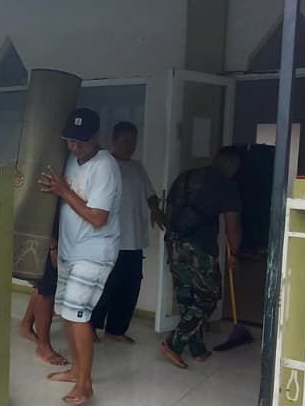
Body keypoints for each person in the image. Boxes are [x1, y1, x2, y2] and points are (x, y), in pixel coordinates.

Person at [39, 107, 121, 406]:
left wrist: (64, 191)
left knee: (78, 315)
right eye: (71, 141)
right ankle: (76, 371)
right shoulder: (72, 160)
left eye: (81, 142)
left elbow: (98, 218)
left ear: (96, 137)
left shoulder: (105, 167)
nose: (75, 147)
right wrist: (54, 244)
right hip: (69, 250)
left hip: (94, 251)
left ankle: (85, 385)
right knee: (67, 312)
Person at [159, 146, 242, 369]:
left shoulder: (185, 177)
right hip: (200, 248)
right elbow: (232, 228)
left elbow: (168, 212)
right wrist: (234, 254)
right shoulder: (227, 185)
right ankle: (174, 343)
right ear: (232, 165)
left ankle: (197, 348)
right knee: (209, 296)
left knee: (186, 296)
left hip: (174, 242)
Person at [90, 122, 161, 343]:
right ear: (114, 140)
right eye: (125, 140)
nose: (130, 145)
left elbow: (150, 194)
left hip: (135, 239)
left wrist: (155, 209)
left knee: (130, 287)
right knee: (105, 287)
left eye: (133, 141)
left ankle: (116, 329)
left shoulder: (137, 167)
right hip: (110, 239)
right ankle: (91, 327)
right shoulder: (104, 165)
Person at [18, 215, 66, 366]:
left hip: (55, 237)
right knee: (47, 289)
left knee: (43, 284)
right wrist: (52, 244)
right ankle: (43, 346)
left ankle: (26, 325)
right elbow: (41, 211)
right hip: (47, 240)